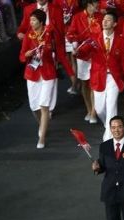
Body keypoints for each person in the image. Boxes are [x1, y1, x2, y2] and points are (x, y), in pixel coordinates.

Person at [19, 9, 75, 149]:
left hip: (48, 73)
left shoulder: (50, 34)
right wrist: (27, 54)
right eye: (30, 20)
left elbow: (61, 54)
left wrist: (71, 73)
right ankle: (42, 125)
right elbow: (21, 57)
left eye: (33, 20)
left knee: (44, 106)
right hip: (32, 73)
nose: (31, 23)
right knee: (34, 107)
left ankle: (42, 138)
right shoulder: (28, 36)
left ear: (41, 22)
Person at [75, 10, 124, 141]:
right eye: (104, 19)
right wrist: (78, 52)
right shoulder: (94, 37)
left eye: (108, 20)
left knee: (111, 105)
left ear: (115, 23)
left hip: (113, 77)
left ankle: (109, 136)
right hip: (98, 77)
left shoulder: (121, 40)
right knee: (100, 109)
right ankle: (110, 126)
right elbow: (84, 53)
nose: (104, 21)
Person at [66, 0, 103, 124]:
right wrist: (75, 43)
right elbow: (70, 34)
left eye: (98, 5)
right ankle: (88, 109)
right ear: (88, 5)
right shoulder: (77, 17)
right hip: (83, 55)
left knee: (94, 83)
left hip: (96, 54)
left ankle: (93, 111)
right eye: (95, 5)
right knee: (85, 84)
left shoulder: (100, 17)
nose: (97, 7)